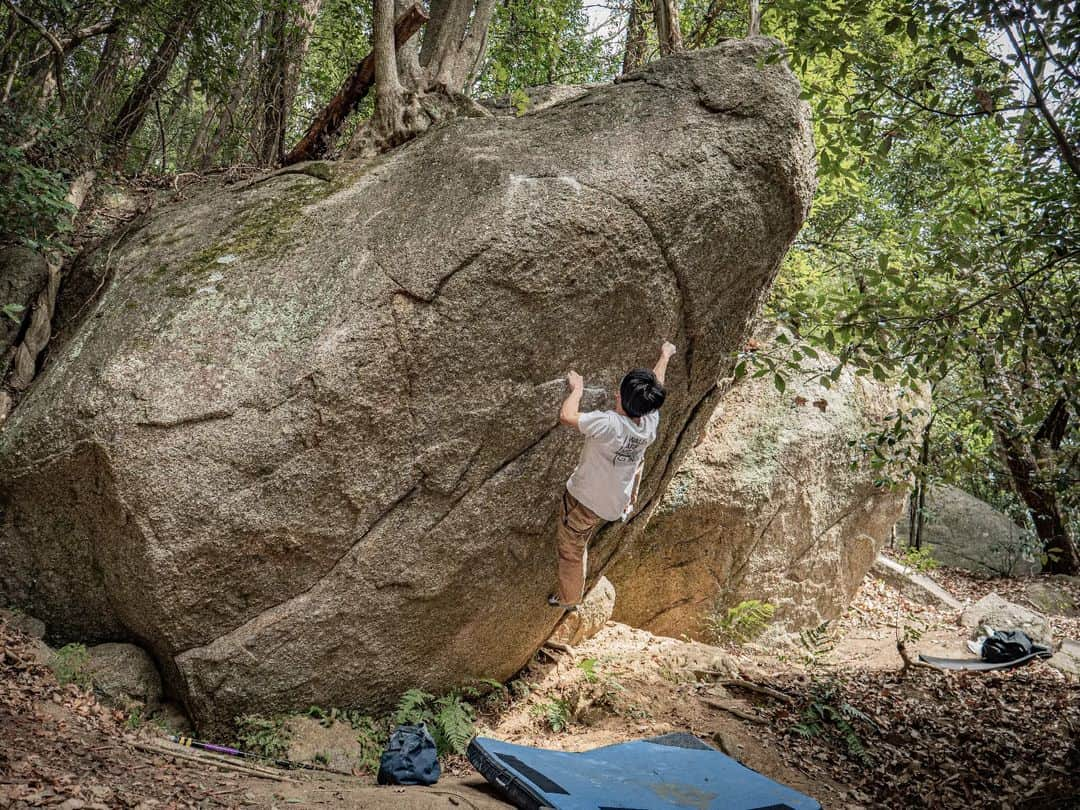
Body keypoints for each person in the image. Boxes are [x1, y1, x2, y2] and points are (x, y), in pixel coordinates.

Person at [549, 340, 677, 610]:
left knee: (571, 548)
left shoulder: (608, 423)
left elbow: (567, 416)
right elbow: (656, 385)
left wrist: (577, 389)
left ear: (619, 394)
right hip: (615, 503)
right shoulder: (649, 422)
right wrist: (665, 355)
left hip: (583, 503)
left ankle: (569, 599)